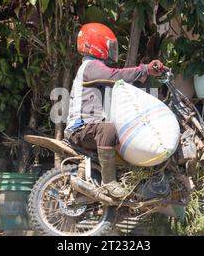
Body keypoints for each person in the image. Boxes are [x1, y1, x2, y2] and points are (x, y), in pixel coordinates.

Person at [65, 23, 165, 198]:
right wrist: (144, 69)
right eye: (110, 46)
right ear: (97, 45)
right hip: (79, 129)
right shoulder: (91, 66)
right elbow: (115, 76)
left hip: (89, 128)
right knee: (108, 129)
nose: (112, 50)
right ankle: (109, 182)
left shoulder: (94, 67)